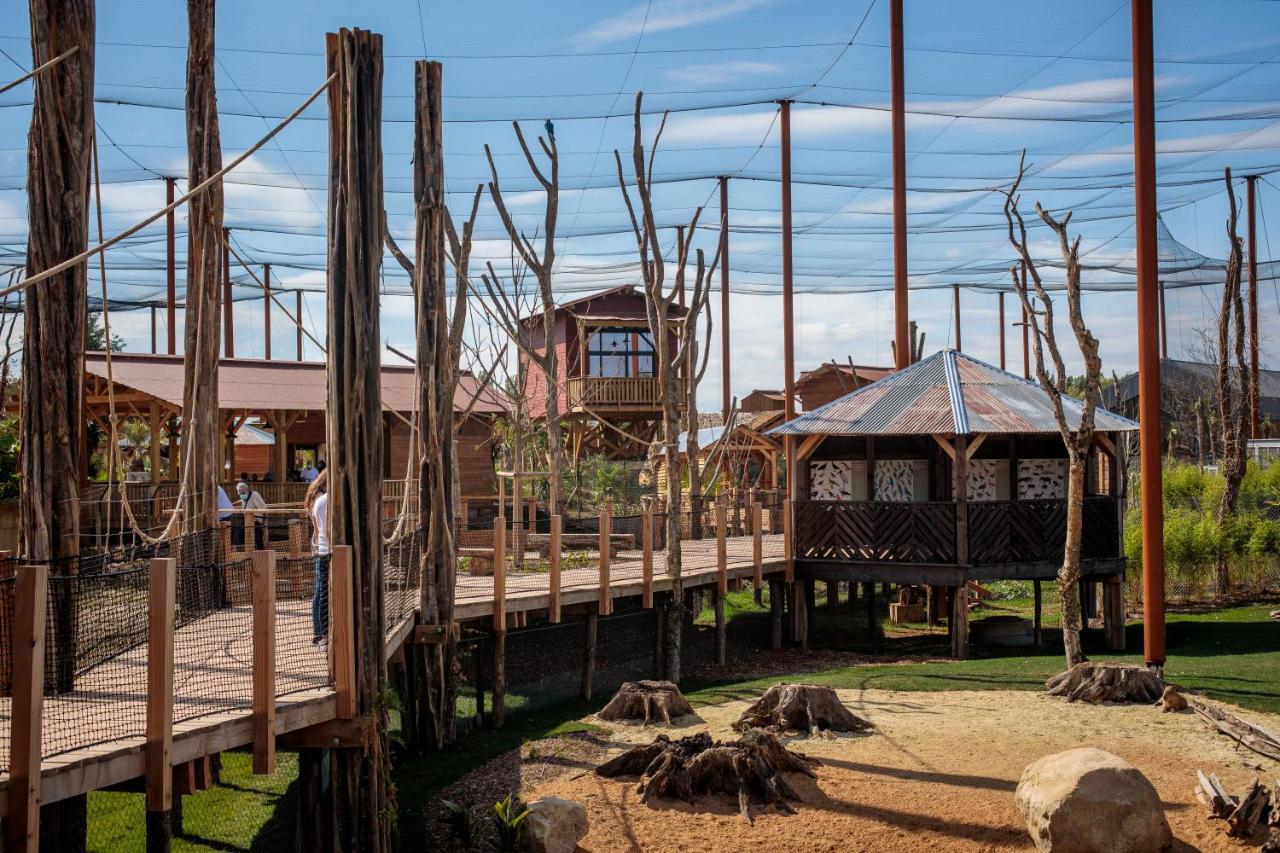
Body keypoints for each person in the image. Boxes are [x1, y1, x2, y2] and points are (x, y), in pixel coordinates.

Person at [305, 470, 329, 647]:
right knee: (322, 591)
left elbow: (316, 526)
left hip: (319, 545)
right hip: (324, 547)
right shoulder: (322, 497)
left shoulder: (315, 495)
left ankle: (318, 630)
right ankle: (320, 631)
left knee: (320, 590)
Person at [236, 481, 269, 550]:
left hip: (257, 522)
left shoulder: (254, 495)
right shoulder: (243, 498)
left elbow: (265, 509)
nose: (242, 495)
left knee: (258, 540)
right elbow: (242, 503)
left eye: (243, 493)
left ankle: (262, 555)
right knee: (240, 535)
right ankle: (248, 554)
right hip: (247, 521)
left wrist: (265, 522)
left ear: (247, 490)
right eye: (240, 494)